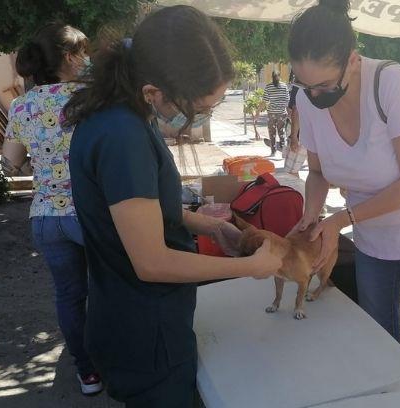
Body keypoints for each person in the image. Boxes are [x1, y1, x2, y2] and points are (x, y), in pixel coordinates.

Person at [62, 7, 281, 407]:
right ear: (154, 91)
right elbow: (152, 261)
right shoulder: (122, 135)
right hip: (145, 332)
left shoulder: (128, 114)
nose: (199, 117)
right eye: (200, 108)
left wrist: (212, 227)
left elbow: (148, 212)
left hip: (141, 320)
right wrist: (249, 268)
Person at [287, 0, 400, 399]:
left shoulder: (392, 83)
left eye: (324, 86)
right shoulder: (307, 101)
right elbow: (317, 172)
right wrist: (312, 217)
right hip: (372, 235)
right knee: (377, 340)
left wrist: (341, 220)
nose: (315, 95)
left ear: (352, 62)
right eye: (306, 86)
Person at [1, 23, 103, 396]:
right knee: (107, 289)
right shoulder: (93, 98)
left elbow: (9, 165)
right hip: (90, 216)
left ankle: (87, 373)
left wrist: (37, 165)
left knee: (68, 296)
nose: (87, 58)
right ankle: (118, 359)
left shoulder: (22, 105)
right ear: (68, 57)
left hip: (45, 218)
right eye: (82, 51)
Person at [284, 71, 307, 176]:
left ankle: (296, 192)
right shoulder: (323, 81)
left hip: (302, 135)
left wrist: (294, 137)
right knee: (318, 174)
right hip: (319, 136)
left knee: (290, 171)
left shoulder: (300, 84)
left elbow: (295, 111)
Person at [262, 71, 290, 155]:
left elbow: (265, 101)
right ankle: (284, 151)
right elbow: (287, 100)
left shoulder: (268, 87)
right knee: (282, 132)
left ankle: (273, 151)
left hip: (271, 113)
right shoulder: (284, 86)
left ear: (272, 77)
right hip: (282, 113)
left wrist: (258, 112)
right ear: (279, 76)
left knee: (272, 132)